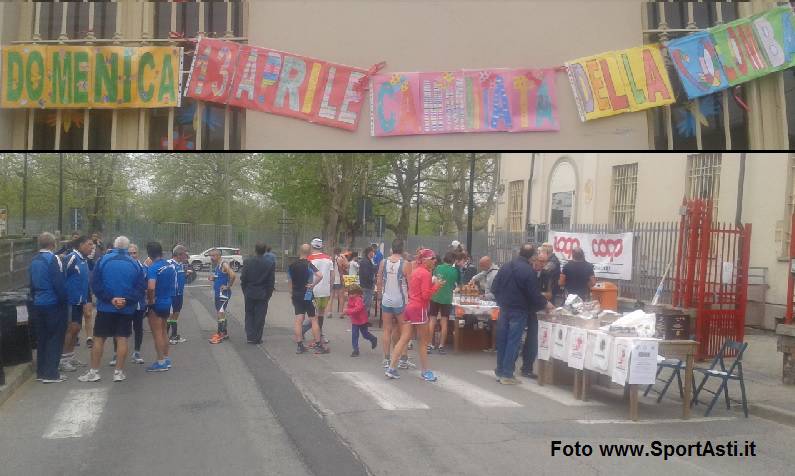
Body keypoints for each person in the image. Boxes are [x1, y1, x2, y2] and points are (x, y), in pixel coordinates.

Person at [78, 236, 145, 383]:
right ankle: (118, 372)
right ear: (127, 248)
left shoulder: (103, 261)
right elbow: (140, 288)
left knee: (99, 338)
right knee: (122, 338)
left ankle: (94, 371)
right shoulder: (135, 264)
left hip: (106, 307)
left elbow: (95, 283)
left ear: (114, 246)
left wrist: (110, 299)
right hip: (126, 309)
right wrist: (126, 300)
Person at [491, 243, 554, 385]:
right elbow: (533, 294)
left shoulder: (506, 266)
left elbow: (494, 287)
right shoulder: (528, 271)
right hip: (519, 310)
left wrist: (502, 300)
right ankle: (507, 374)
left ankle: (500, 370)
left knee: (502, 340)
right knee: (513, 341)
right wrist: (546, 304)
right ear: (532, 256)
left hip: (505, 308)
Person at [385, 249, 443, 382]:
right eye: (433, 259)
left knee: (404, 338)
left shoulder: (416, 271)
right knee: (423, 342)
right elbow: (426, 295)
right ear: (426, 260)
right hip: (419, 309)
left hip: (410, 307)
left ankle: (392, 368)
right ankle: (425, 371)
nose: (435, 262)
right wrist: (437, 286)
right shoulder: (426, 274)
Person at [30, 232, 68, 383]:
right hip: (52, 303)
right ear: (53, 245)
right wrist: (64, 301)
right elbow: (58, 283)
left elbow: (31, 284)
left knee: (42, 338)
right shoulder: (53, 259)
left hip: (38, 303)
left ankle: (41, 372)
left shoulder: (33, 260)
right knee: (55, 338)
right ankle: (51, 373)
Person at [58, 235, 94, 373]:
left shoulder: (84, 260)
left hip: (80, 301)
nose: (92, 247)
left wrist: (85, 300)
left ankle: (70, 356)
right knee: (71, 328)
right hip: (71, 301)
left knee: (77, 328)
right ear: (80, 245)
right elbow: (62, 275)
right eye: (89, 244)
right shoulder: (72, 257)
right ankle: (62, 359)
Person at [376, 238, 413, 369]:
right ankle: (403, 359)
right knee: (404, 331)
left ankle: (386, 359)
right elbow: (411, 284)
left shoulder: (383, 262)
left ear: (392, 248)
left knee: (387, 329)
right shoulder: (406, 264)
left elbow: (379, 280)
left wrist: (380, 296)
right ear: (402, 249)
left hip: (387, 298)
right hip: (400, 301)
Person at [143, 241, 177, 372]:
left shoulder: (153, 268)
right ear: (161, 252)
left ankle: (160, 361)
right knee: (164, 331)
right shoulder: (169, 266)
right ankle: (166, 358)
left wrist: (150, 300)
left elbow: (151, 287)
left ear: (149, 254)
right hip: (168, 301)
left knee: (157, 333)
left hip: (157, 303)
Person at [290, 244, 324, 354]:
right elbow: (320, 275)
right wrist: (313, 284)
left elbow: (290, 281)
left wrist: (292, 293)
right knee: (314, 319)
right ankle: (318, 344)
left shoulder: (292, 265)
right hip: (308, 293)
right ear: (309, 253)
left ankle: (299, 345)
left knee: (298, 319)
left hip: (296, 294)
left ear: (299, 251)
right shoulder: (309, 264)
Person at [521, 251, 549, 379]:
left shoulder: (545, 274)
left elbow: (549, 293)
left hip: (536, 310)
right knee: (516, 338)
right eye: (541, 261)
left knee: (532, 339)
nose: (543, 264)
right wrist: (540, 295)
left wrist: (540, 296)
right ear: (534, 260)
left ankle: (527, 367)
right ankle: (507, 366)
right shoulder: (527, 272)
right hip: (522, 308)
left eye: (545, 262)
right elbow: (528, 292)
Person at [241, 242, 276, 345]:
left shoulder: (247, 262)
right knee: (260, 316)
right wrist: (268, 294)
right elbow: (271, 281)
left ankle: (250, 336)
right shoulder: (269, 263)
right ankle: (257, 337)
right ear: (265, 250)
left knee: (249, 314)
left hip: (250, 291)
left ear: (255, 250)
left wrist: (245, 290)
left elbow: (243, 278)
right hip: (263, 292)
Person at [428, 251, 459, 355]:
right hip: (447, 298)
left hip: (435, 296)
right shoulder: (454, 271)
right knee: (444, 321)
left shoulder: (438, 268)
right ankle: (441, 346)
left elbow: (433, 280)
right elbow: (457, 284)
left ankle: (429, 344)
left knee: (432, 320)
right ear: (454, 260)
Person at [307, 238, 333, 345]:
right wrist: (330, 288)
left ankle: (316, 338)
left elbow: (307, 275)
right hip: (325, 290)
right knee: (320, 314)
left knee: (312, 316)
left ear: (312, 246)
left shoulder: (309, 259)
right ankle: (320, 335)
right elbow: (332, 275)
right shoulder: (328, 259)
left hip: (313, 289)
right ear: (321, 246)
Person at [208, 248, 236, 345]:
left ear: (218, 255)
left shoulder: (224, 264)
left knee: (220, 313)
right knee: (221, 313)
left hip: (223, 294)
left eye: (213, 255)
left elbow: (233, 275)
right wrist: (214, 279)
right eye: (210, 256)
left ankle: (220, 335)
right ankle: (224, 333)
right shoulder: (218, 265)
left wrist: (228, 286)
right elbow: (221, 277)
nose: (211, 258)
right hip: (218, 293)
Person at [344, 284, 377, 357]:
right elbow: (349, 306)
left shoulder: (359, 299)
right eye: (349, 293)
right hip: (355, 320)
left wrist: (348, 311)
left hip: (362, 320)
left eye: (352, 294)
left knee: (365, 334)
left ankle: (373, 339)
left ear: (357, 293)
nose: (351, 295)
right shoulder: (350, 299)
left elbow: (358, 309)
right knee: (354, 335)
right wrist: (347, 312)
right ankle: (355, 350)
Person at [167, 244, 190, 345]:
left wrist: (186, 275)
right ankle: (164, 337)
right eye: (185, 254)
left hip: (179, 295)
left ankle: (174, 336)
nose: (186, 256)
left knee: (176, 315)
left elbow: (179, 278)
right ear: (179, 255)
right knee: (170, 316)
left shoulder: (180, 264)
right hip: (171, 295)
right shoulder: (169, 264)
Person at [128, 244, 147, 364]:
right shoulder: (123, 267)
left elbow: (146, 286)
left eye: (134, 253)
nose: (132, 255)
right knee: (120, 329)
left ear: (138, 254)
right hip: (125, 304)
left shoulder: (143, 268)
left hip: (139, 304)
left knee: (138, 328)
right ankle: (116, 354)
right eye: (129, 253)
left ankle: (137, 352)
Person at [358, 247, 377, 319]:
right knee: (366, 303)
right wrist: (373, 280)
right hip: (367, 285)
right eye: (373, 252)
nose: (374, 254)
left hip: (366, 285)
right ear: (370, 252)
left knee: (366, 303)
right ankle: (363, 320)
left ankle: (364, 319)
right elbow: (366, 274)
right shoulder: (366, 262)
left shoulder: (368, 261)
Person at [332, 248, 349, 318]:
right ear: (340, 252)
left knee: (331, 296)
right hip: (339, 278)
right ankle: (341, 313)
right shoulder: (340, 258)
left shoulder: (331, 258)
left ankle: (329, 312)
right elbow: (346, 266)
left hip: (332, 278)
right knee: (341, 296)